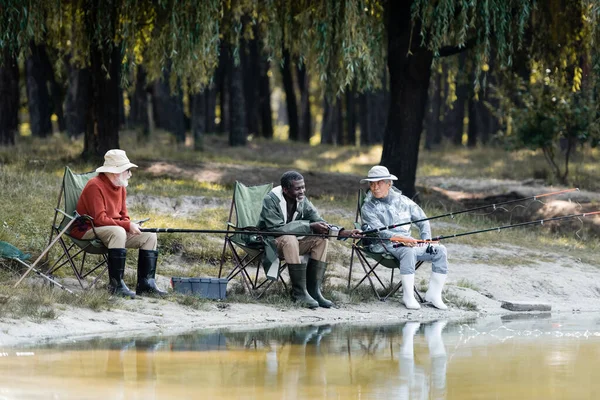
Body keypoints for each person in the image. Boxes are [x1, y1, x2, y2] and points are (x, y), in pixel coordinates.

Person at [258, 171, 360, 309]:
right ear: (285, 190)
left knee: (321, 240)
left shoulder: (302, 200)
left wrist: (344, 232)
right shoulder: (271, 200)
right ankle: (298, 293)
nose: (302, 191)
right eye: (297, 188)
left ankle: (313, 292)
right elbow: (276, 229)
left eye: (303, 187)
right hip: (271, 244)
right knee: (289, 238)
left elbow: (319, 221)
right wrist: (309, 226)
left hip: (292, 246)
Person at [71, 149, 166, 298]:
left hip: (112, 230)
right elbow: (99, 219)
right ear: (117, 171)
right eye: (128, 170)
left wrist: (130, 225)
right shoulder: (94, 185)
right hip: (88, 228)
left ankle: (146, 284)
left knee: (149, 235)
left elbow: (124, 216)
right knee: (119, 231)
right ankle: (116, 285)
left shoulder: (121, 186)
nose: (130, 174)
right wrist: (127, 226)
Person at [360, 165, 448, 310]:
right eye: (372, 183)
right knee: (408, 251)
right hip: (384, 245)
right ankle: (408, 296)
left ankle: (434, 295)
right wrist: (401, 239)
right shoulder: (367, 207)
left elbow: (423, 220)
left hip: (409, 243)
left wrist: (426, 241)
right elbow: (380, 232)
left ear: (389, 184)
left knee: (440, 250)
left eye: (379, 182)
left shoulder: (404, 201)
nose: (374, 187)